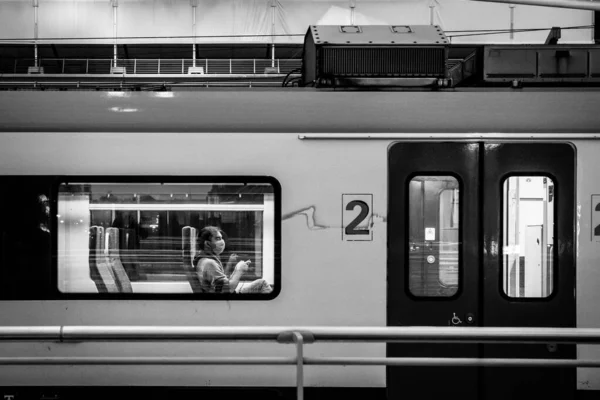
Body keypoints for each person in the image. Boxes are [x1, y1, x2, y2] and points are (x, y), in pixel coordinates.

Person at [194, 226, 272, 294]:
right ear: (207, 244)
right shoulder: (209, 263)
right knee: (262, 284)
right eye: (218, 238)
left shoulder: (203, 259)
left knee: (260, 283)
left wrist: (233, 266)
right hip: (229, 302)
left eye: (222, 238)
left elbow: (222, 283)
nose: (222, 242)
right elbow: (227, 290)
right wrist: (239, 270)